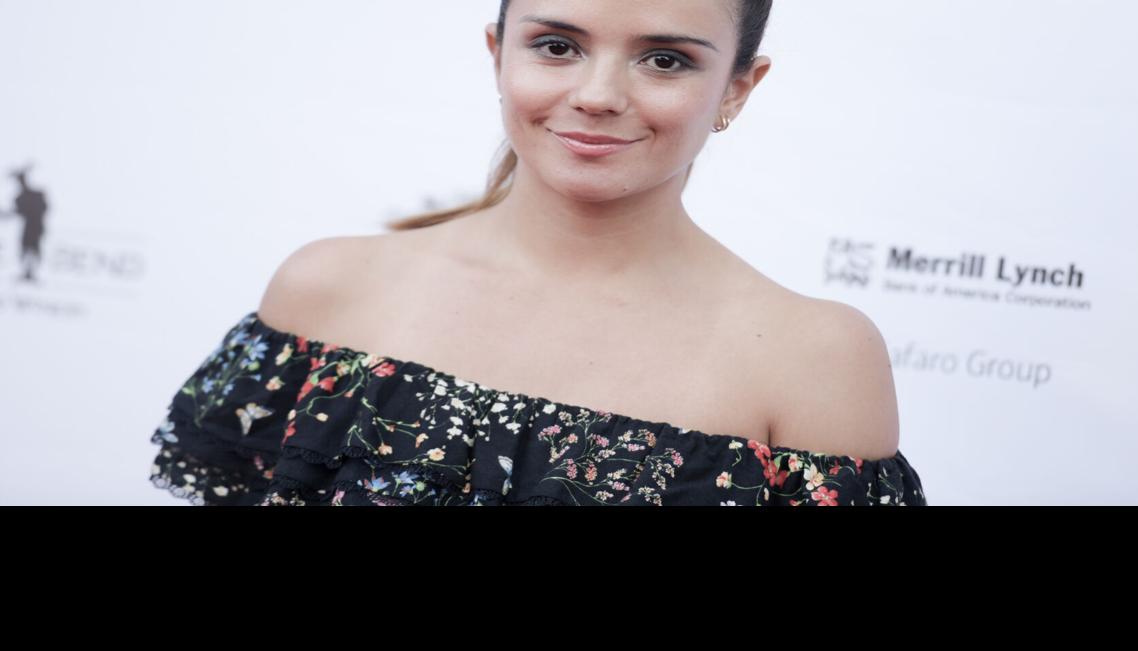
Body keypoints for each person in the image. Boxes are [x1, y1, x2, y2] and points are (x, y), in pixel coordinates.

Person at [148, 0, 926, 505]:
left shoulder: (815, 359)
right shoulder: (327, 290)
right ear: (497, 55)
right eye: (556, 46)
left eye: (665, 59)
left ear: (735, 89)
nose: (597, 95)